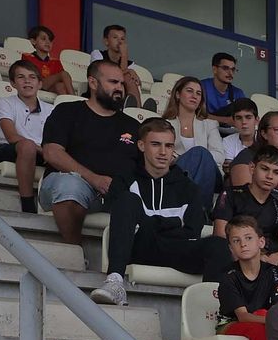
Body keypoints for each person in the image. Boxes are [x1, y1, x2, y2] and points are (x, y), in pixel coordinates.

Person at [91, 118, 230, 306]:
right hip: (139, 246)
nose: (163, 152)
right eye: (156, 144)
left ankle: (208, 307)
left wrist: (149, 222)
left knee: (219, 245)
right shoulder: (125, 179)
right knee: (128, 200)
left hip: (174, 249)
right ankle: (115, 282)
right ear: (141, 145)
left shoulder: (189, 188)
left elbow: (192, 232)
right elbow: (123, 222)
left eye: (169, 145)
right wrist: (172, 223)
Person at [39, 60, 136, 246]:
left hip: (114, 195)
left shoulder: (133, 125)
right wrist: (94, 179)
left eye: (122, 83)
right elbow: (52, 152)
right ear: (93, 83)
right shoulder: (67, 111)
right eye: (113, 82)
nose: (120, 88)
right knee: (71, 185)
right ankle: (75, 252)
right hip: (69, 186)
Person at [212, 146, 278, 278]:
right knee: (220, 247)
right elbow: (221, 235)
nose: (269, 176)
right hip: (237, 254)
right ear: (252, 168)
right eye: (264, 169)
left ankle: (264, 284)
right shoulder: (229, 195)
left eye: (276, 172)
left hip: (268, 262)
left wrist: (275, 257)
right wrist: (252, 257)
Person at [0, 60, 51, 214]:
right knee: (27, 146)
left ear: (40, 83)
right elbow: (12, 137)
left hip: (41, 152)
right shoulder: (5, 103)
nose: (27, 81)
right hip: (11, 149)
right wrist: (42, 151)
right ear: (13, 83)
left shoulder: (51, 109)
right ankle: (27, 204)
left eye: (32, 77)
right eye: (21, 77)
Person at [164, 76, 224, 206]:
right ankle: (199, 211)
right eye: (190, 91)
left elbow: (219, 155)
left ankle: (197, 209)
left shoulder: (210, 124)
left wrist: (198, 157)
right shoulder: (165, 124)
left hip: (211, 175)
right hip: (177, 171)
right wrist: (190, 158)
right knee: (197, 154)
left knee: (200, 153)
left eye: (198, 93)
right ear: (178, 95)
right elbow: (165, 152)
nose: (194, 96)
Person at [228, 112, 278, 209]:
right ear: (264, 133)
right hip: (256, 213)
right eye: (277, 129)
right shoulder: (248, 156)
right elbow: (244, 194)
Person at [88, 24, 141, 107]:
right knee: (126, 75)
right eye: (115, 38)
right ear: (106, 41)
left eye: (122, 39)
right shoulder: (98, 54)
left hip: (120, 95)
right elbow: (105, 74)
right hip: (100, 93)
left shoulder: (131, 64)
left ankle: (137, 110)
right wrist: (124, 55)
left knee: (128, 78)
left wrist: (127, 69)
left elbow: (126, 80)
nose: (120, 42)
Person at [21, 24, 74, 96]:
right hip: (35, 84)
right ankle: (75, 99)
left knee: (60, 86)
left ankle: (68, 105)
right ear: (33, 41)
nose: (48, 42)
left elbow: (61, 81)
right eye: (43, 39)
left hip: (49, 88)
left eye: (50, 40)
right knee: (63, 74)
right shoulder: (27, 57)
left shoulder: (56, 62)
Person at [200, 52, 245, 126]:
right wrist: (226, 120)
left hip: (230, 134)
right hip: (204, 131)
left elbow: (244, 118)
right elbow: (198, 115)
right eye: (225, 68)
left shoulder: (238, 93)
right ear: (215, 69)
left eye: (233, 69)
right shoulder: (202, 86)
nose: (230, 73)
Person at [221, 98, 260, 163]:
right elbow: (229, 169)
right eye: (239, 118)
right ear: (234, 122)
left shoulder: (265, 140)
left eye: (248, 117)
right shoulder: (227, 142)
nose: (244, 122)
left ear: (257, 120)